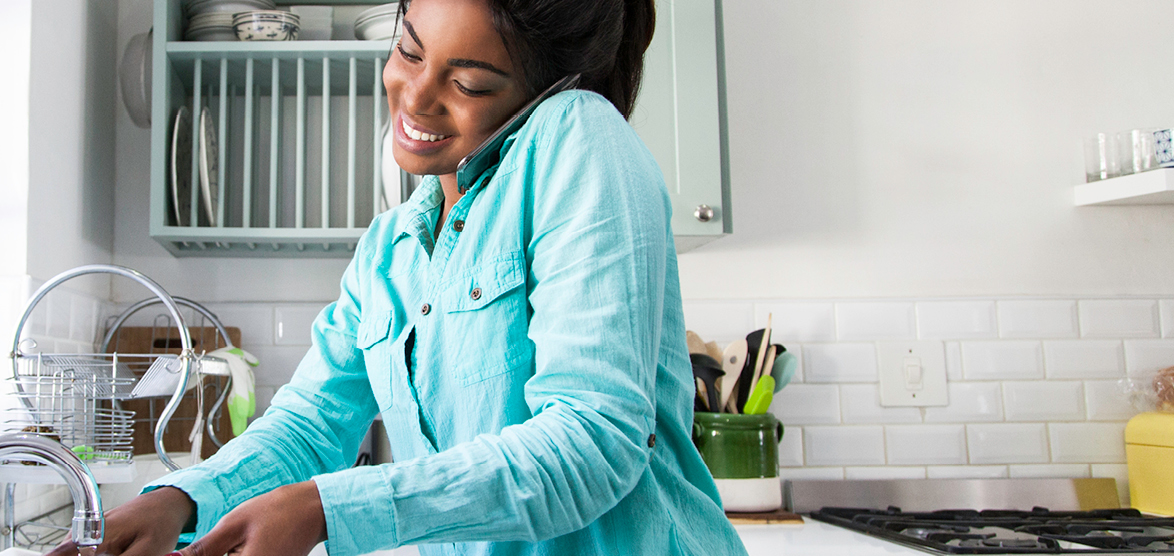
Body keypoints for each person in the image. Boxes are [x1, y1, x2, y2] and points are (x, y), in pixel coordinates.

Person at [53, 0, 747, 553]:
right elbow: (308, 428)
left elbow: (592, 441)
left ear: (542, 90)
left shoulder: (580, 138)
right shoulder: (391, 248)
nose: (414, 99)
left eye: (470, 83)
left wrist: (329, 507)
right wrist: (179, 501)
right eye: (409, 49)